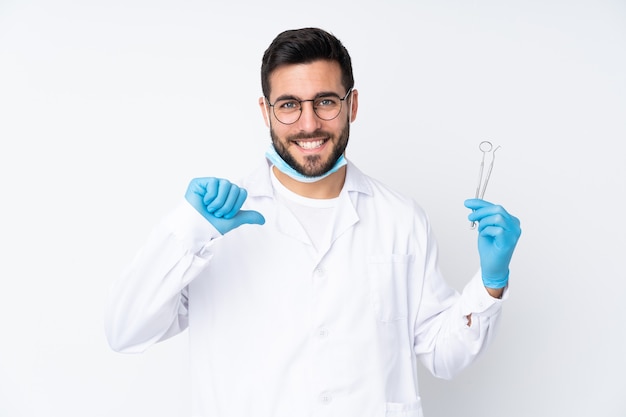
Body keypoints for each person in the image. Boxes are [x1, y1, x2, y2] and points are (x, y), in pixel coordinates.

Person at [105, 27, 521, 417]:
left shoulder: (400, 218)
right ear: (265, 112)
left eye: (325, 101)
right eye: (289, 105)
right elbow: (126, 332)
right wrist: (189, 230)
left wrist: (491, 282)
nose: (308, 124)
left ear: (351, 105)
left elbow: (442, 355)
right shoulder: (214, 224)